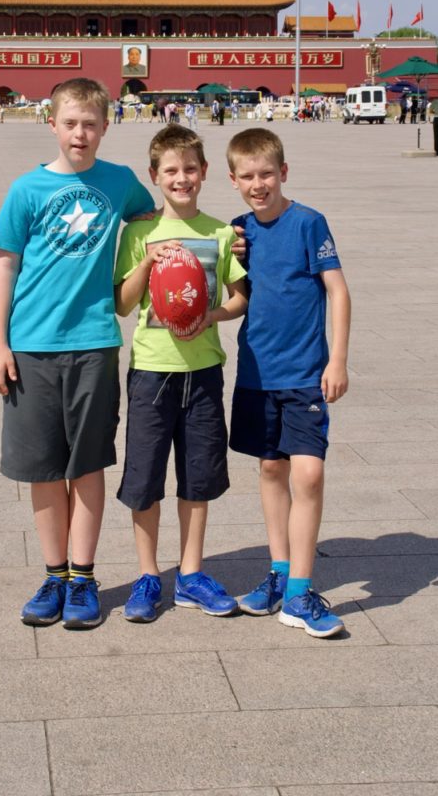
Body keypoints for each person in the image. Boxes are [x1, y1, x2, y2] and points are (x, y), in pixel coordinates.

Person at [0, 77, 155, 630]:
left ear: (106, 127)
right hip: (32, 347)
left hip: (94, 344)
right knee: (41, 467)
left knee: (86, 464)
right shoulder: (26, 190)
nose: (80, 133)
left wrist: (219, 242)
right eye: (70, 123)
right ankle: (53, 573)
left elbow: (153, 222)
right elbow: (4, 265)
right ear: (51, 124)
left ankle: (84, 576)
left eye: (90, 124)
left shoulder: (121, 183)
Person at [114, 125, 248, 623]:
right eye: (170, 170)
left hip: (205, 370)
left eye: (190, 169)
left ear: (205, 173)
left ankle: (190, 574)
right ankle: (149, 575)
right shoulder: (140, 233)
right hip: (152, 370)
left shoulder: (219, 232)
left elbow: (238, 298)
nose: (181, 178)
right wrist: (146, 263)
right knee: (145, 476)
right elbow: (122, 304)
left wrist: (210, 317)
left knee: (199, 475)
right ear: (155, 176)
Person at [226, 128, 351, 638]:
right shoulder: (237, 232)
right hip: (257, 373)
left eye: (266, 174)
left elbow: (338, 293)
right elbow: (236, 297)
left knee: (310, 475)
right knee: (272, 470)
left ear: (284, 172)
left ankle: (300, 592)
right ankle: (278, 573)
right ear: (234, 180)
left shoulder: (308, 223)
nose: (259, 185)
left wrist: (337, 359)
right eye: (248, 177)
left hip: (304, 375)